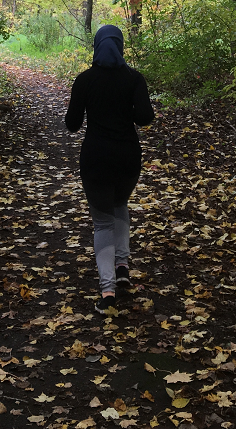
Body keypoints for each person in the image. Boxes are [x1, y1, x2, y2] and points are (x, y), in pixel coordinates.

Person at [65, 25, 155, 314]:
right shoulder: (134, 79)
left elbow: (72, 124)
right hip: (128, 159)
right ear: (121, 46)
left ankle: (107, 291)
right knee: (120, 204)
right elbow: (145, 118)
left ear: (96, 46)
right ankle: (123, 265)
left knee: (103, 221)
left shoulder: (85, 80)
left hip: (96, 160)